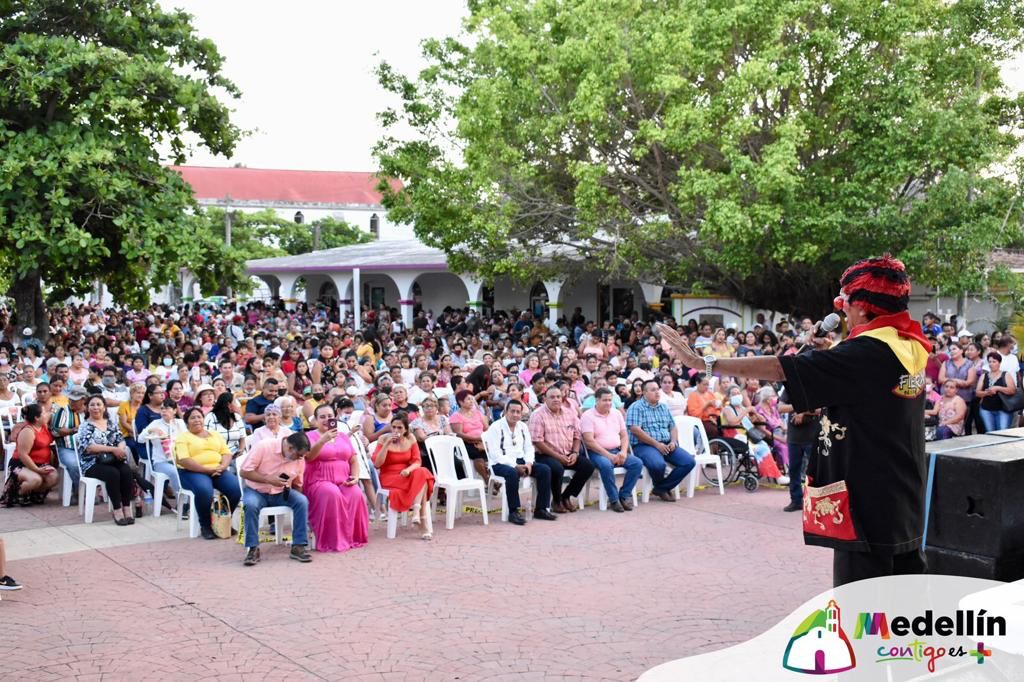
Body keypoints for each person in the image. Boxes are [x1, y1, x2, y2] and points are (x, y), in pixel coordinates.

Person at [658, 254, 932, 587]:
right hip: (903, 494)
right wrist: (829, 353)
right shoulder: (908, 345)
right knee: (906, 593)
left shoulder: (862, 355)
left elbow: (780, 368)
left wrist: (704, 362)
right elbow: (864, 382)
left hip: (867, 502)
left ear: (861, 307)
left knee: (862, 603)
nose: (842, 310)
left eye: (845, 302)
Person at [239, 432, 315, 566]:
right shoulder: (264, 446)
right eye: (299, 455)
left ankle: (298, 546)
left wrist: (299, 505)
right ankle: (253, 548)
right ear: (290, 448)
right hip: (257, 491)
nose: (300, 458)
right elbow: (244, 472)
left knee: (302, 501)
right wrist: (267, 479)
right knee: (250, 505)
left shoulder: (299, 459)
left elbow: (298, 484)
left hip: (281, 492)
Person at [305, 404, 369, 552]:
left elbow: (353, 460)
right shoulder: (309, 436)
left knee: (356, 493)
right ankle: (332, 540)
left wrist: (355, 477)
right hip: (319, 481)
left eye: (330, 416)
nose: (326, 419)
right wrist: (322, 441)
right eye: (322, 417)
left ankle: (352, 537)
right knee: (331, 493)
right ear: (315, 420)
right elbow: (309, 457)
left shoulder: (343, 437)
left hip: (343, 480)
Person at [483, 400, 556, 524]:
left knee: (545, 470)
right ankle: (513, 511)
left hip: (521, 460)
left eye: (518, 412)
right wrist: (515, 465)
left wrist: (529, 463)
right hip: (500, 462)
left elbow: (529, 447)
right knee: (512, 473)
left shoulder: (522, 426)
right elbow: (495, 454)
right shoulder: (495, 427)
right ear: (506, 411)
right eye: (512, 411)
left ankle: (541, 509)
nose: (515, 414)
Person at [174, 407, 242, 540]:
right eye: (192, 418)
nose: (197, 420)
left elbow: (226, 453)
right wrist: (207, 470)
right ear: (187, 422)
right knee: (204, 490)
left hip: (217, 470)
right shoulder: (183, 437)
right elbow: (184, 460)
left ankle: (222, 520)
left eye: (199, 417)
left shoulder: (215, 434)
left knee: (235, 489)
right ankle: (206, 525)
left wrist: (223, 467)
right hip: (192, 471)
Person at [625, 380, 695, 502]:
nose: (657, 392)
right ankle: (662, 489)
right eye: (653, 390)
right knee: (658, 465)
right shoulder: (636, 407)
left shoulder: (663, 407)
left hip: (666, 443)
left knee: (689, 462)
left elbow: (673, 427)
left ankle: (661, 488)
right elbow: (635, 430)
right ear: (644, 392)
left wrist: (673, 442)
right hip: (644, 445)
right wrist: (657, 445)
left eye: (658, 389)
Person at [528, 386, 595, 513]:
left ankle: (566, 496)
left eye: (558, 397)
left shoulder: (570, 413)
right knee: (557, 468)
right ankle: (557, 501)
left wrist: (575, 453)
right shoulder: (538, 415)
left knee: (588, 466)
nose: (556, 399)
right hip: (545, 454)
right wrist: (558, 457)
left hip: (568, 453)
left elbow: (577, 435)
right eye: (552, 397)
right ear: (545, 399)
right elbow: (537, 441)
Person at [581, 388, 643, 513]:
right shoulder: (587, 416)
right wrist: (608, 455)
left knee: (637, 463)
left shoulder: (616, 413)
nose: (608, 403)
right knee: (606, 465)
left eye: (610, 400)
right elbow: (589, 441)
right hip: (597, 452)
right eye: (605, 400)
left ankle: (624, 495)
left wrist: (623, 452)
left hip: (617, 450)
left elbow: (624, 436)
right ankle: (614, 499)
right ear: (597, 400)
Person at [374, 413, 435, 540]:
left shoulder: (411, 438)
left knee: (422, 472)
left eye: (399, 428)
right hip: (389, 476)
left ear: (406, 429)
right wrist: (386, 444)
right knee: (422, 482)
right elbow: (377, 464)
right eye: (393, 427)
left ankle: (417, 512)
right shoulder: (383, 439)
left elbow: (417, 461)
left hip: (406, 473)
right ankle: (421, 520)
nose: (396, 430)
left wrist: (408, 470)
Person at [76, 395, 135, 525]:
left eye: (99, 404)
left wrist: (120, 449)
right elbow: (90, 448)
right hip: (92, 463)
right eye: (92, 405)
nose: (95, 408)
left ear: (104, 407)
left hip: (113, 460)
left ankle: (126, 507)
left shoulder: (111, 423)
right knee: (112, 474)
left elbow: (120, 440)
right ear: (87, 408)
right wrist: (113, 449)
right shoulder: (85, 426)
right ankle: (117, 509)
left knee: (126, 471)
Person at [2, 404, 57, 506]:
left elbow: (50, 414)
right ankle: (17, 494)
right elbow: (23, 455)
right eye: (43, 413)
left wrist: (53, 410)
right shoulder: (28, 431)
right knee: (35, 479)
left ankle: (33, 494)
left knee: (53, 477)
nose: (46, 415)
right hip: (21, 464)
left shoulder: (42, 425)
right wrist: (37, 469)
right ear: (37, 418)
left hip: (41, 463)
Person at [137, 399, 187, 508]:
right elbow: (140, 439)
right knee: (174, 471)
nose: (164, 411)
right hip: (161, 462)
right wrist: (151, 430)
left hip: (179, 459)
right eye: (162, 408)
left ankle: (190, 501)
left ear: (174, 411)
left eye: (167, 408)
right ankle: (182, 504)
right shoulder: (156, 423)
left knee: (190, 469)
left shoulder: (180, 423)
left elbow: (187, 439)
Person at [50, 386, 87, 496]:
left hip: (85, 448)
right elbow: (55, 432)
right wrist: (74, 430)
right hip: (66, 448)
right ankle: (81, 492)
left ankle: (95, 490)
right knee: (74, 464)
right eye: (70, 399)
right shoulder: (63, 411)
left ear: (83, 400)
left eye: (75, 400)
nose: (71, 402)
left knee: (97, 462)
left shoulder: (88, 411)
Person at [449, 389, 492, 482]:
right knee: (478, 456)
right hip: (466, 443)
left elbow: (487, 428)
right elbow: (459, 434)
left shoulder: (477, 413)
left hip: (482, 441)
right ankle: (487, 480)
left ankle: (492, 478)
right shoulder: (456, 416)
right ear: (461, 402)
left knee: (492, 452)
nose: (472, 401)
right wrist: (475, 439)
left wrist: (483, 440)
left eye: (472, 399)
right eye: (469, 399)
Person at [976, 352, 1017, 432]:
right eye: (989, 362)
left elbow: (1012, 390)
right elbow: (977, 393)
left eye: (994, 361)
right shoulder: (984, 376)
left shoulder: (1005, 374)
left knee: (1003, 431)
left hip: (1003, 409)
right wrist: (987, 393)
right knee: (990, 432)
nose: (991, 364)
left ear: (999, 363)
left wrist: (998, 388)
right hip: (986, 409)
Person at [205, 392, 247, 457]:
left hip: (236, 453)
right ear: (229, 405)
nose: (237, 404)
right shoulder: (211, 417)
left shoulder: (237, 417)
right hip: (217, 454)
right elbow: (206, 439)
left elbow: (243, 438)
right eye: (235, 402)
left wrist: (240, 451)